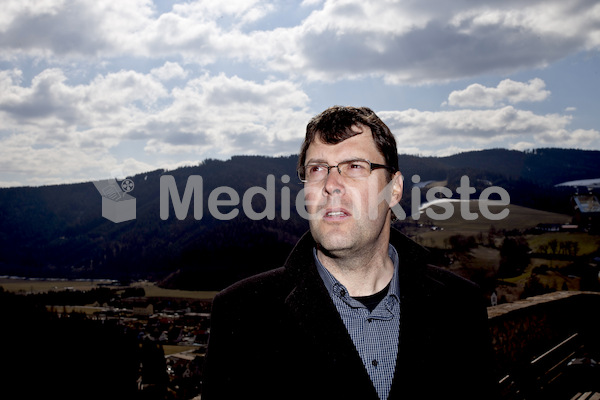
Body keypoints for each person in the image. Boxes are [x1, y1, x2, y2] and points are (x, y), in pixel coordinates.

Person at [202, 106, 497, 399]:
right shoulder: (242, 315)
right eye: (316, 169)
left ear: (394, 189)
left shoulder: (460, 305)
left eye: (355, 166)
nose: (331, 185)